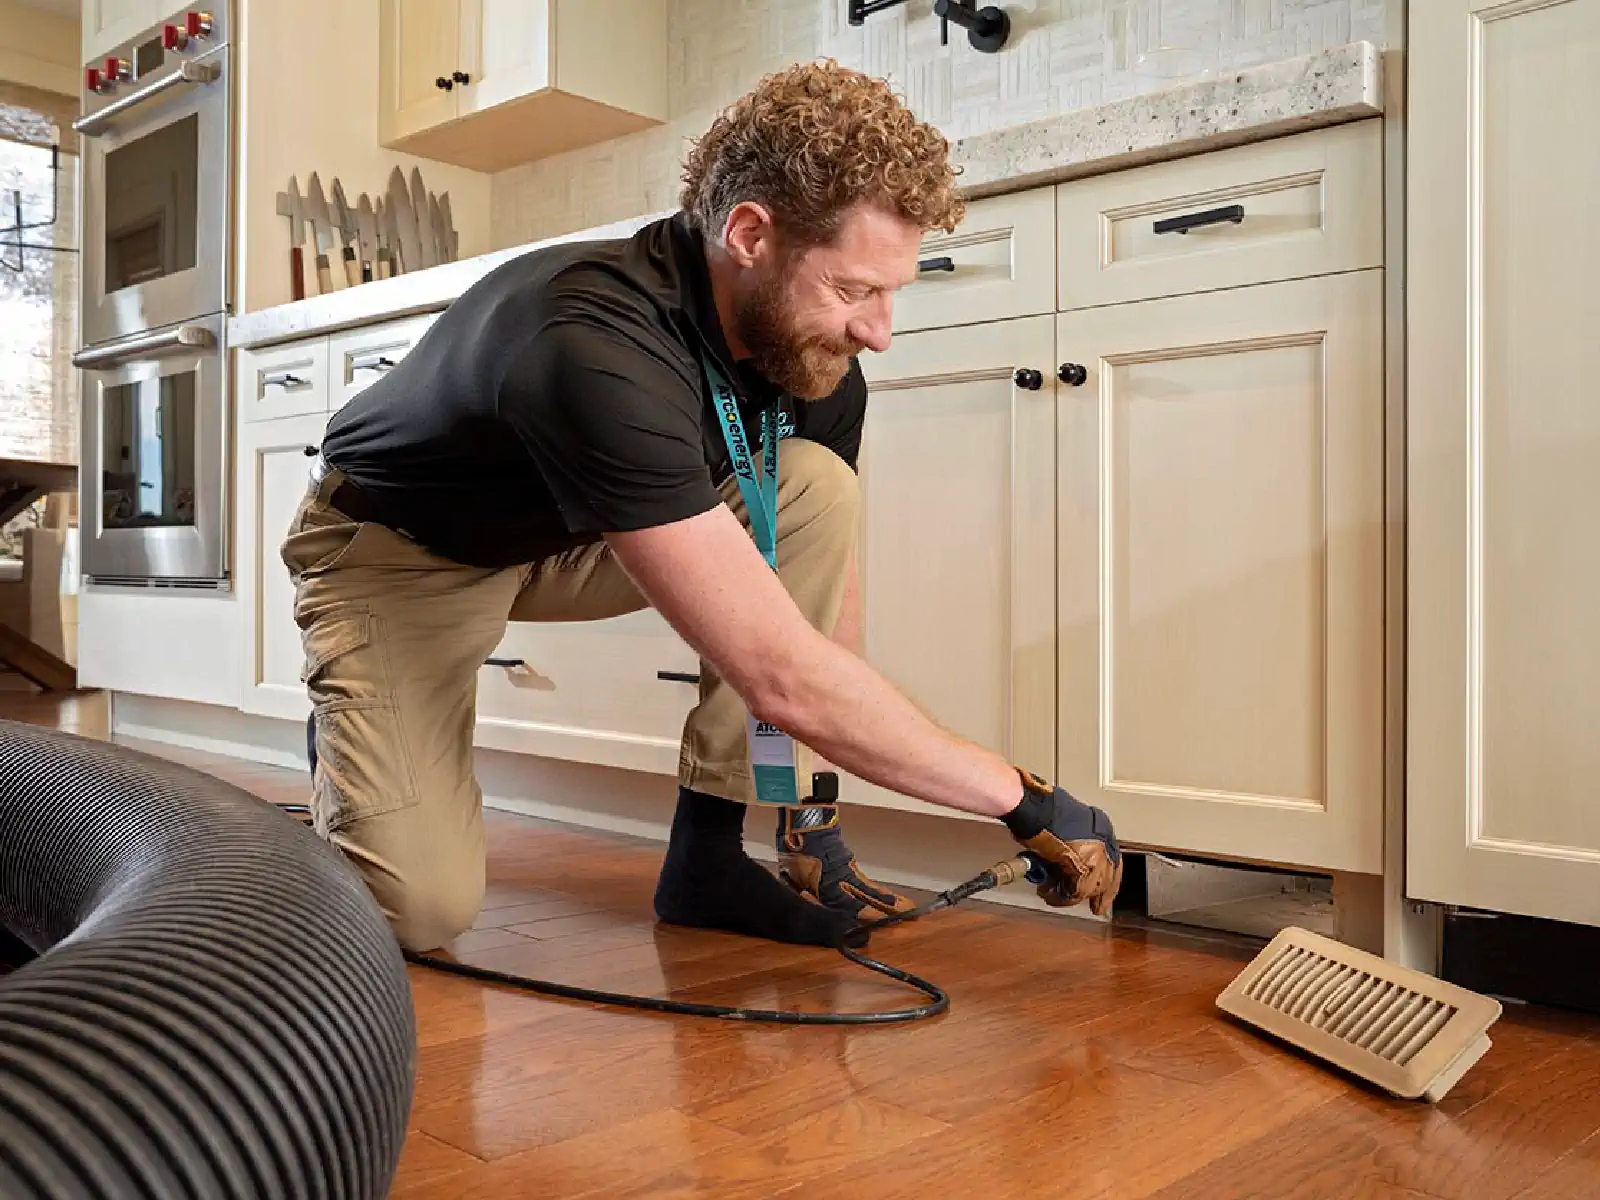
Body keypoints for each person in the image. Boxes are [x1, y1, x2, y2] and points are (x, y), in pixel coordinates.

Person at [284, 60, 1123, 956]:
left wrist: (814, 821)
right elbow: (781, 675)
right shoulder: (591, 341)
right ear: (750, 234)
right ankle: (352, 756)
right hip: (401, 551)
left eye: (892, 293)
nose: (879, 329)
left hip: (564, 541)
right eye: (853, 290)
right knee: (420, 912)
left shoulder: (815, 362)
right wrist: (1025, 798)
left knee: (813, 484)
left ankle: (706, 858)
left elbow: (816, 620)